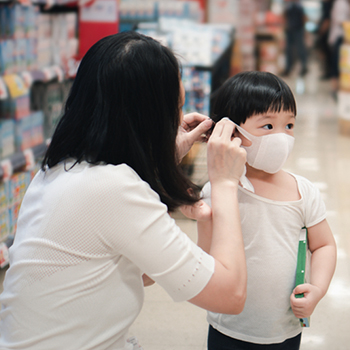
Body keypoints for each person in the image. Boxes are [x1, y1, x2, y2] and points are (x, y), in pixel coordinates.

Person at [0, 32, 248, 349]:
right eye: (176, 107)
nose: (177, 119)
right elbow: (230, 295)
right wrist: (224, 181)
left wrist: (160, 158)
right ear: (151, 119)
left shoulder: (59, 169)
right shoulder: (113, 190)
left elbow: (141, 271)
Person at [198, 71, 337, 350]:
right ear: (233, 131)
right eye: (268, 126)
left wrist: (317, 290)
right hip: (229, 327)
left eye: (289, 125)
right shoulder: (221, 191)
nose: (282, 137)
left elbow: (324, 245)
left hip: (284, 329)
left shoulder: (303, 191)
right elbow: (206, 258)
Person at [328, 0, 350, 99]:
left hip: (344, 39)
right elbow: (339, 20)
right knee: (337, 64)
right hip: (338, 37)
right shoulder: (340, 3)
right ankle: (335, 89)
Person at [282, 0, 308, 77]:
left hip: (298, 30)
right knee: (288, 50)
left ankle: (304, 67)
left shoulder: (299, 6)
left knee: (300, 49)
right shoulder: (288, 6)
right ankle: (288, 68)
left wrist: (304, 30)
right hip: (289, 30)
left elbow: (304, 18)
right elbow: (285, 16)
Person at [316, 0, 334, 80]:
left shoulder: (328, 5)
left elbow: (327, 20)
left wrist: (321, 31)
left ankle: (328, 72)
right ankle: (327, 71)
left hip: (327, 33)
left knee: (326, 53)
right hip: (328, 32)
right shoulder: (327, 4)